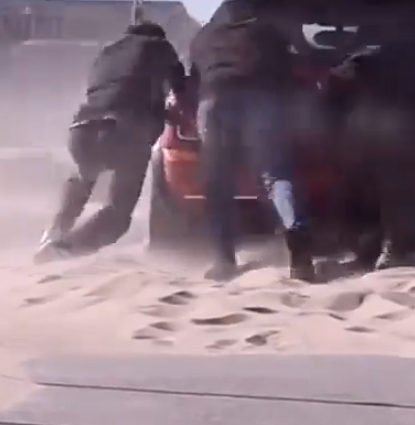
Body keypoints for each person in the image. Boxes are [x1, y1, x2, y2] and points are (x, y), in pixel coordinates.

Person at [35, 21, 187, 261]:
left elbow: (111, 89)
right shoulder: (158, 45)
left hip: (81, 128)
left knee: (84, 178)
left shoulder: (107, 52)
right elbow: (182, 89)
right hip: (124, 130)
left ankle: (53, 233)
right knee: (118, 213)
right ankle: (64, 251)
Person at [189, 14, 315, 282]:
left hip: (215, 100)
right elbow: (290, 71)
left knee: (218, 184)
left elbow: (192, 80)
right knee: (277, 175)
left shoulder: (205, 36)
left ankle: (224, 260)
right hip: (260, 101)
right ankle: (299, 250)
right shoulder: (267, 31)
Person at [325, 41, 415, 270]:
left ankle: (362, 249)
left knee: (358, 189)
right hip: (400, 127)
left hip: (360, 127)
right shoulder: (409, 66)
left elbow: (331, 90)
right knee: (396, 192)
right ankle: (392, 250)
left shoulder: (356, 61)